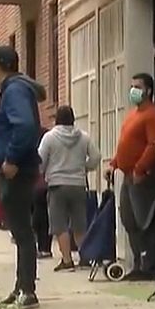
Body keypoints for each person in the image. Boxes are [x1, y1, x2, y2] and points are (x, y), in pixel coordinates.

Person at [0, 45, 45, 309]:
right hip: (17, 168)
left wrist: (11, 158)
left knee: (22, 231)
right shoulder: (17, 89)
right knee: (19, 230)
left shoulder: (14, 90)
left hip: (17, 169)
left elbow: (24, 125)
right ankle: (21, 285)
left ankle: (27, 289)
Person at [104, 73, 155, 281]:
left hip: (142, 176)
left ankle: (149, 264)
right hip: (127, 174)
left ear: (148, 90)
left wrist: (141, 168)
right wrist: (114, 163)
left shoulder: (152, 115)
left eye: (137, 86)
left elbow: (153, 144)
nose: (133, 90)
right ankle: (138, 261)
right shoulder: (133, 114)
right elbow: (125, 142)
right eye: (132, 86)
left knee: (143, 220)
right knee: (128, 219)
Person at [39, 106, 101, 272]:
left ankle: (66, 259)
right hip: (78, 184)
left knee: (59, 224)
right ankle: (84, 256)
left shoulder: (49, 137)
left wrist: (45, 171)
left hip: (57, 185)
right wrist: (84, 168)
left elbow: (41, 160)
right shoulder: (83, 137)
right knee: (79, 222)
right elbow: (96, 156)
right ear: (73, 119)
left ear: (57, 119)